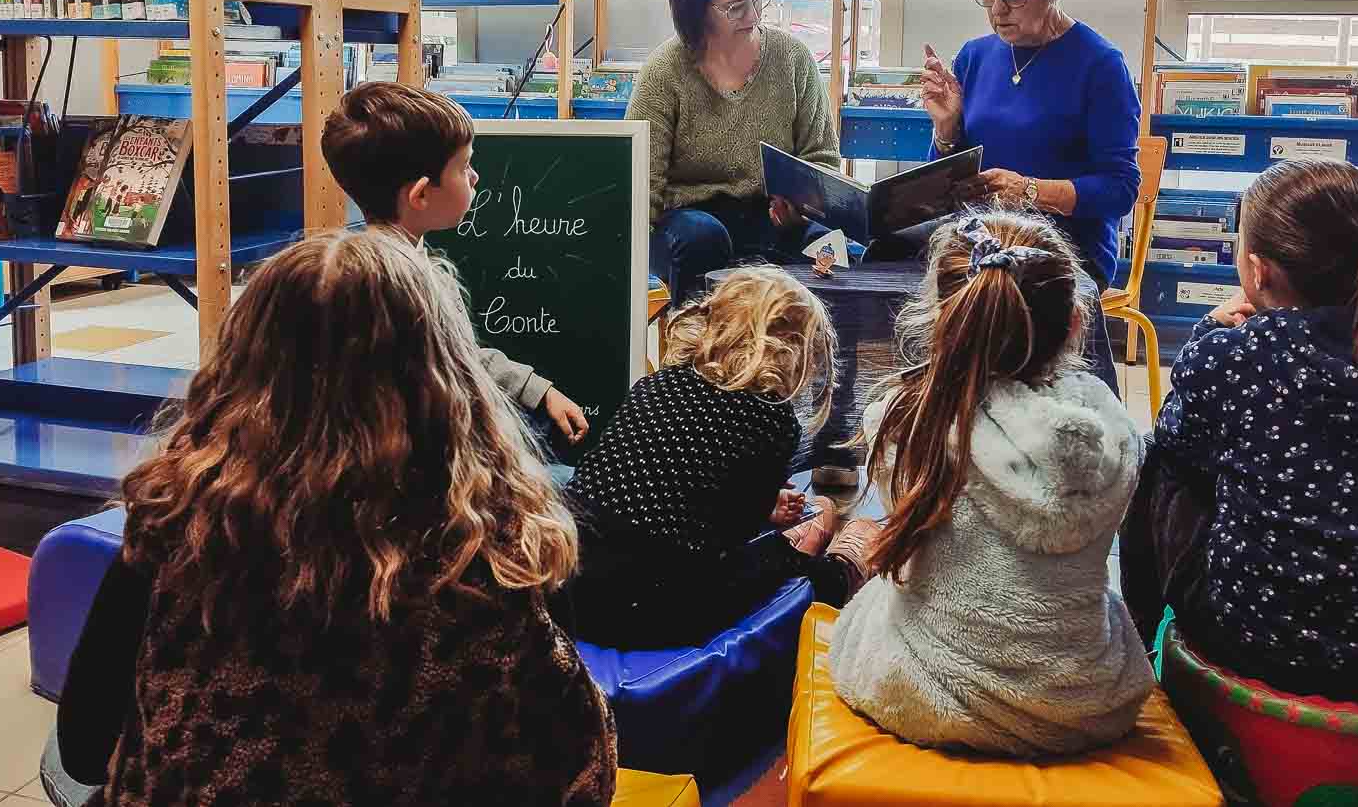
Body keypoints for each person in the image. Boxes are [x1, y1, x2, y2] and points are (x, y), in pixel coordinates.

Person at [48, 231, 616, 806]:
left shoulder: (177, 530)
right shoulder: (501, 549)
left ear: (241, 371)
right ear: (451, 383)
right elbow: (574, 766)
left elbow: (82, 747)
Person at [1119, 159, 1358, 703]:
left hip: (1263, 641)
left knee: (1162, 457)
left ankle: (1143, 650)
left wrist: (1203, 337)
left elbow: (1183, 444)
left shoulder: (1230, 354)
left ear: (1258, 271)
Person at [828, 210, 1151, 757]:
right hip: (1087, 704)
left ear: (941, 317)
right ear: (1075, 325)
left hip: (927, 691)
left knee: (866, 589)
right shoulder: (1114, 432)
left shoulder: (906, 416)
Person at [559, 266, 880, 649]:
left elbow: (672, 479)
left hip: (570, 584)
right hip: (649, 608)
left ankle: (812, 536)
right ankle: (839, 571)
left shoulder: (659, 382)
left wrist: (756, 503)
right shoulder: (770, 418)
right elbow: (733, 535)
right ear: (793, 351)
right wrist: (764, 510)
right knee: (785, 560)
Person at [919, 0, 1140, 395]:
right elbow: (943, 176)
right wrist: (946, 128)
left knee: (989, 297)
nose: (997, 8)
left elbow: (1120, 190)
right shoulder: (975, 56)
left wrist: (1031, 192)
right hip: (984, 237)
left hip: (1066, 248)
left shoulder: (1100, 65)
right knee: (887, 268)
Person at [323, 81, 590, 446]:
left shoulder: (402, 256)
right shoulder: (399, 290)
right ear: (420, 194)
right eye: (464, 167)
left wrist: (534, 388)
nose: (475, 176)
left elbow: (464, 356)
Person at [627, 0, 840, 307]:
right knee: (703, 237)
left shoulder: (792, 59)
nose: (754, 16)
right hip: (686, 224)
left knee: (834, 247)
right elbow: (639, 188)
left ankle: (817, 359)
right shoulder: (664, 72)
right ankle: (699, 358)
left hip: (769, 217)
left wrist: (801, 207)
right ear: (698, 9)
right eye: (736, 8)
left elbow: (822, 159)